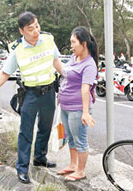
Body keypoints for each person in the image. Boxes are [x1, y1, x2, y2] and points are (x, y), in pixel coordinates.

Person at [0, 12, 63, 184]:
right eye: (30, 29)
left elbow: (56, 62)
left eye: (37, 26)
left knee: (45, 127)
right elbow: (4, 73)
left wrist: (70, 79)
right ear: (22, 31)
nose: (36, 30)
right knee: (26, 132)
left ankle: (40, 157)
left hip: (49, 92)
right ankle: (22, 168)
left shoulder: (49, 40)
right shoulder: (18, 51)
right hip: (30, 94)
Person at [55, 26, 98, 181]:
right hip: (65, 107)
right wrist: (52, 57)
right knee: (71, 138)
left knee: (80, 140)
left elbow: (85, 89)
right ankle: (73, 165)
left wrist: (85, 113)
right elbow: (65, 73)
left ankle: (81, 171)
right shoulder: (74, 58)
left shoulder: (89, 65)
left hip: (77, 109)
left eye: (74, 42)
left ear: (84, 44)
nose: (71, 46)